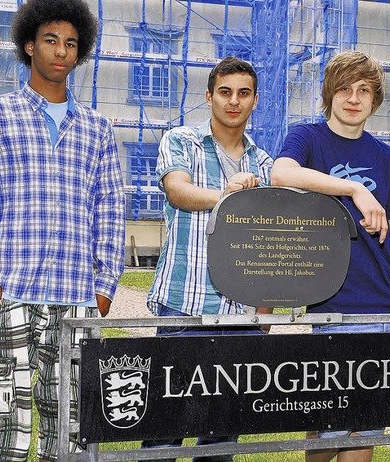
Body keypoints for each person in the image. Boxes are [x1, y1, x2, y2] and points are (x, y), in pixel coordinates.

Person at [0, 0, 126, 460]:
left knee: (71, 425)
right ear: (29, 45)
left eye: (71, 43)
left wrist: (104, 286)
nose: (61, 51)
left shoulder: (97, 130)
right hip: (8, 292)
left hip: (76, 297)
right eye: (51, 40)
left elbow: (109, 209)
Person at [271, 50, 390, 462]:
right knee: (326, 422)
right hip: (333, 301)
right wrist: (355, 189)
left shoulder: (387, 157)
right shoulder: (308, 138)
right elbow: (281, 174)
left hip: (385, 307)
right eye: (343, 88)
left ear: (375, 100)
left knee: (366, 424)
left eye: (364, 90)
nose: (353, 98)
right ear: (329, 94)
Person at [142, 56, 273, 461]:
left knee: (222, 435)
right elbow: (178, 192)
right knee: (165, 429)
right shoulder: (181, 140)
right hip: (185, 305)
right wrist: (231, 198)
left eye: (244, 93)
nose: (234, 101)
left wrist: (263, 314)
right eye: (225, 92)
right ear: (209, 96)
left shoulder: (265, 164)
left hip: (243, 314)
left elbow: (267, 241)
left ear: (254, 101)